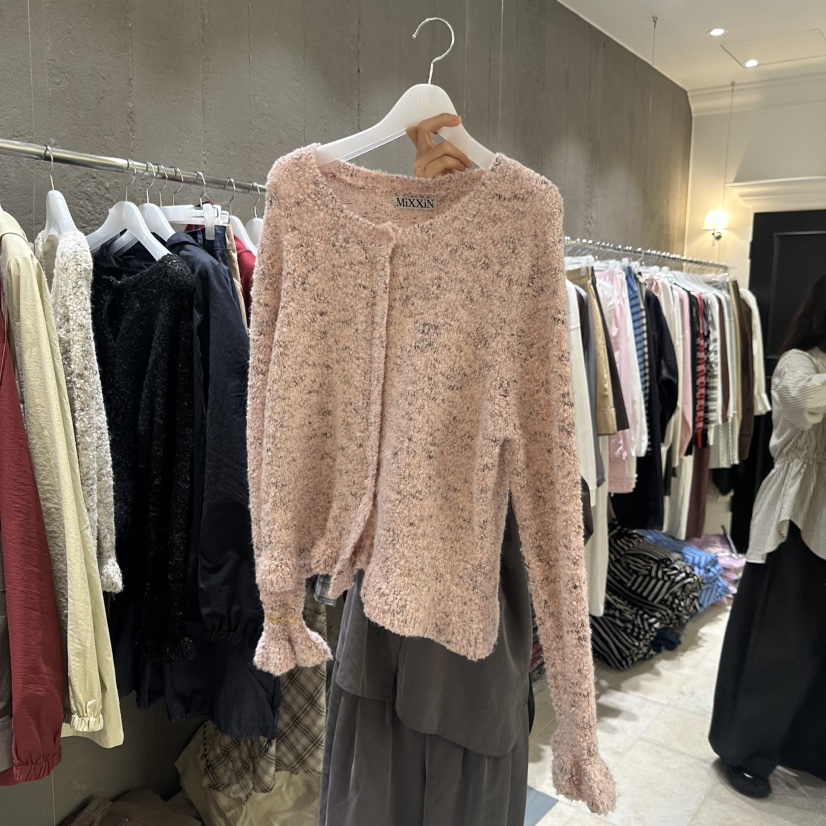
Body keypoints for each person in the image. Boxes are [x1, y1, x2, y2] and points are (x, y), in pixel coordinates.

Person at [709, 274, 826, 798]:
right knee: (778, 642)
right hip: (794, 520)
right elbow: (802, 403)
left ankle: (807, 747)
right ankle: (745, 749)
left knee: (816, 646)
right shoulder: (800, 363)